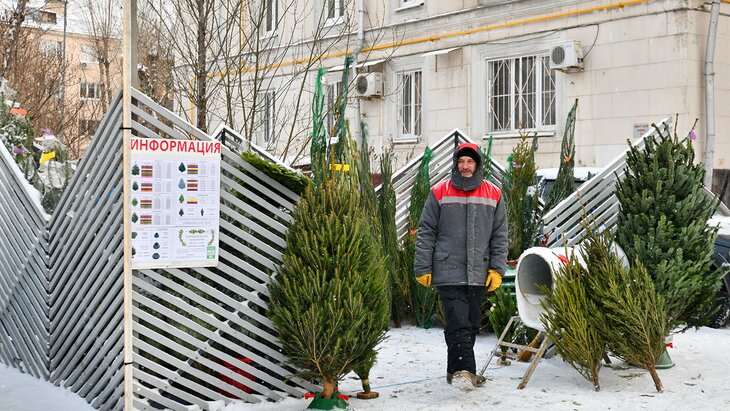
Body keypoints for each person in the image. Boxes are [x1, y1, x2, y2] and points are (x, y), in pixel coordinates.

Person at [413, 142, 508, 389]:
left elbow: (500, 235)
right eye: (461, 161)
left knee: (471, 323)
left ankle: (453, 369)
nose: (465, 166)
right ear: (456, 163)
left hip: (479, 271)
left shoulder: (494, 194)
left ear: (477, 164)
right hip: (448, 269)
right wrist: (423, 267)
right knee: (458, 321)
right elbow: (426, 231)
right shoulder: (439, 192)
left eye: (470, 162)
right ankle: (465, 371)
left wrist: (497, 269)